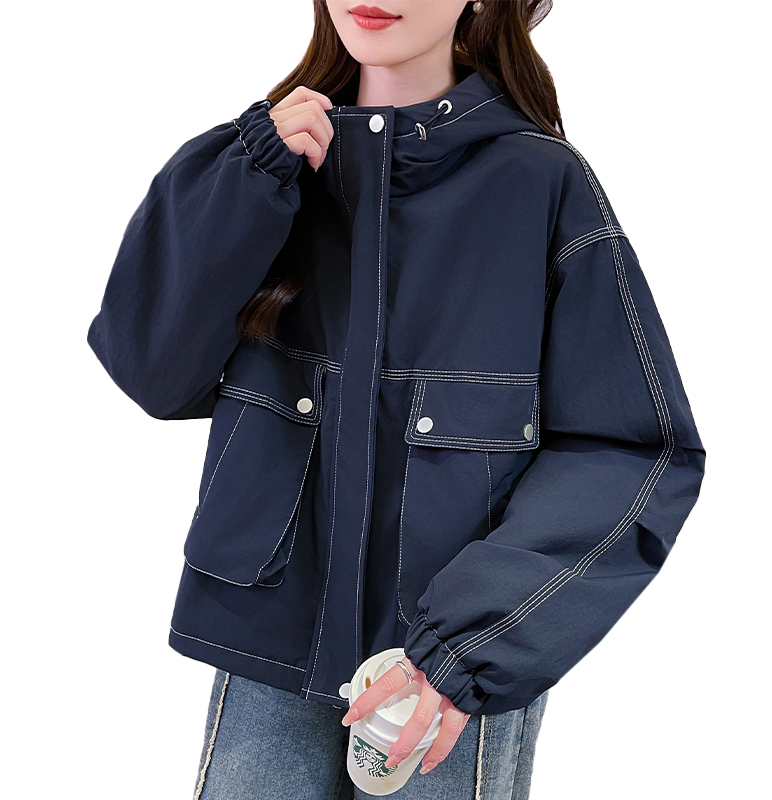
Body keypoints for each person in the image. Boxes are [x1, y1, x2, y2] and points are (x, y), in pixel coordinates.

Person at [86, 1, 706, 798]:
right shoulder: (265, 170)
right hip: (272, 643)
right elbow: (153, 372)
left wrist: (470, 643)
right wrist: (246, 180)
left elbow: (629, 447)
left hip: (440, 681)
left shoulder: (540, 184)